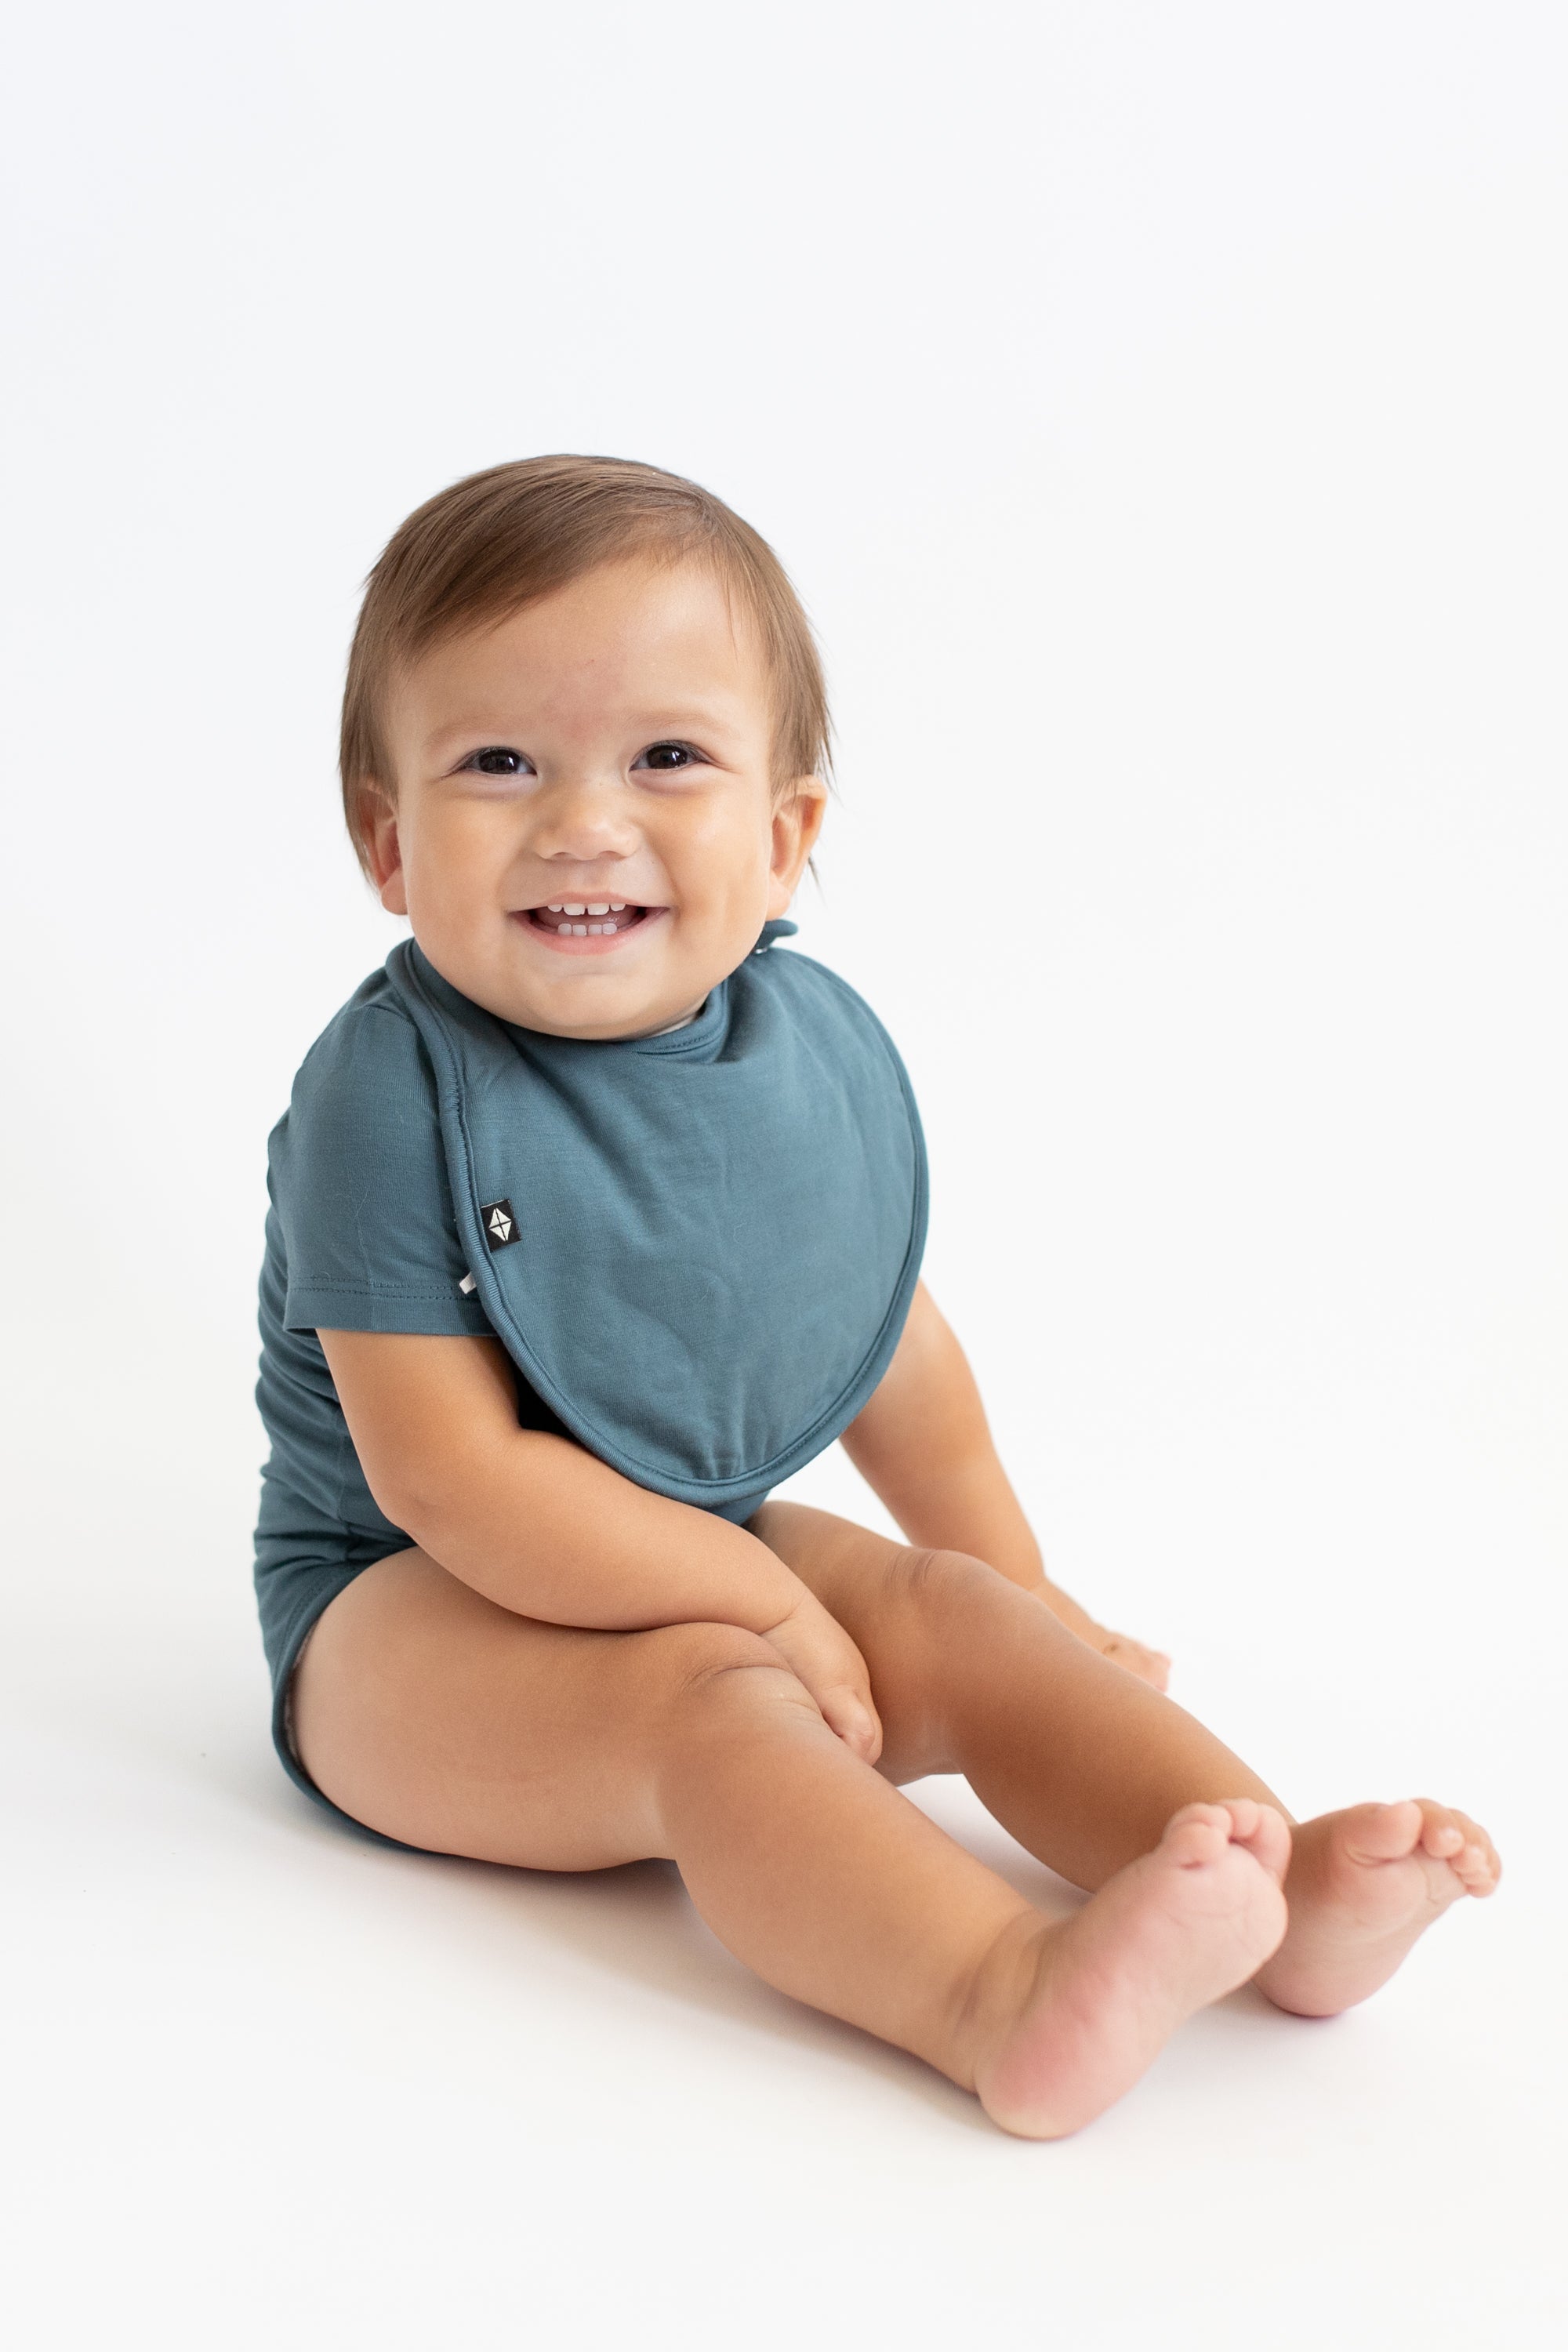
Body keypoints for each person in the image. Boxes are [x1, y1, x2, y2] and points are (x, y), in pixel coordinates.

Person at [255, 456, 1497, 2138]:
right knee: (714, 1708)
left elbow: (887, 1344)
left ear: (784, 839)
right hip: (396, 1614)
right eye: (497, 764)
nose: (581, 821)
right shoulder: (388, 1088)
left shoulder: (797, 1057)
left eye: (666, 757)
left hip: (691, 1529)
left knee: (956, 1615)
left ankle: (1257, 1873)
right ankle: (994, 1994)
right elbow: (446, 1477)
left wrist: (1025, 1588)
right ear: (388, 842)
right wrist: (759, 1608)